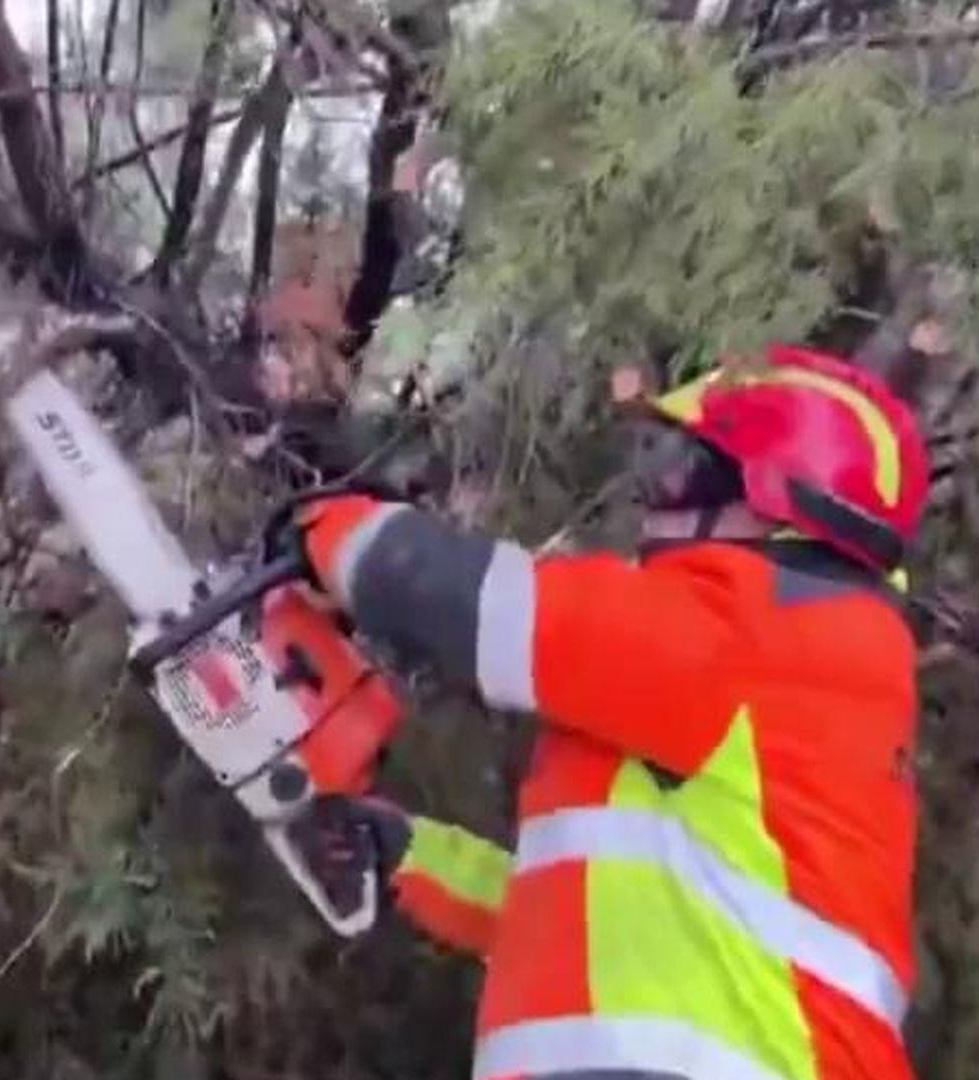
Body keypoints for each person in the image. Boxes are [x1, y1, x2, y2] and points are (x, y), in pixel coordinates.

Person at [284, 342, 930, 1080]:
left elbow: (489, 610)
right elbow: (603, 925)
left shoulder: (771, 636)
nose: (652, 503)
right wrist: (412, 856)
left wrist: (330, 529)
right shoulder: (764, 685)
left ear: (776, 503)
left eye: (681, 474)